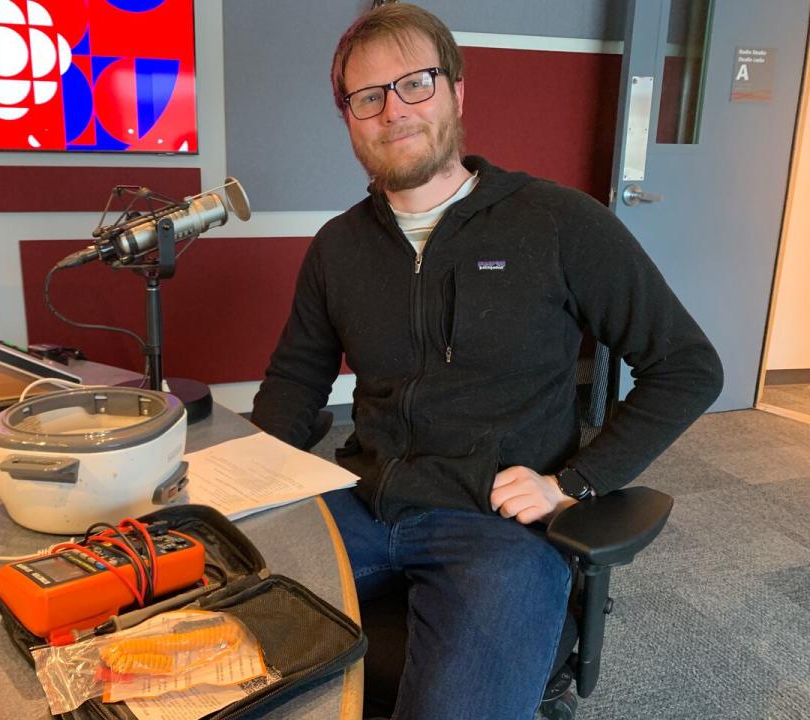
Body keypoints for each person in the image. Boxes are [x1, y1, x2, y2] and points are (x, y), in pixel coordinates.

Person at [251, 4, 723, 719]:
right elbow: (295, 379)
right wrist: (250, 482)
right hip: (360, 501)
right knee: (216, 641)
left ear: (457, 91)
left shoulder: (558, 222)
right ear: (347, 116)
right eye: (367, 97)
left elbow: (688, 365)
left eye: (414, 84)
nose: (392, 111)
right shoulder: (338, 248)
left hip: (495, 527)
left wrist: (579, 481)